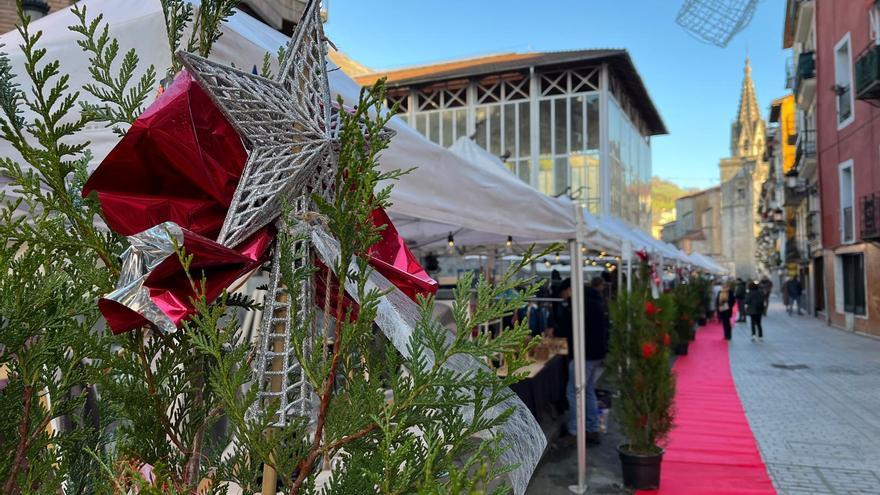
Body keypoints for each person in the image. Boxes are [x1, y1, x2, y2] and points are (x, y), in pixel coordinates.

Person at [551, 277, 609, 446]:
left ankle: (575, 431)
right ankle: (592, 428)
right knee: (588, 390)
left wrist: (557, 329)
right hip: (595, 354)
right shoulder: (593, 299)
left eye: (564, 294)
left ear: (569, 289)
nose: (563, 298)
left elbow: (570, 329)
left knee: (574, 392)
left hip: (584, 354)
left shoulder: (579, 304)